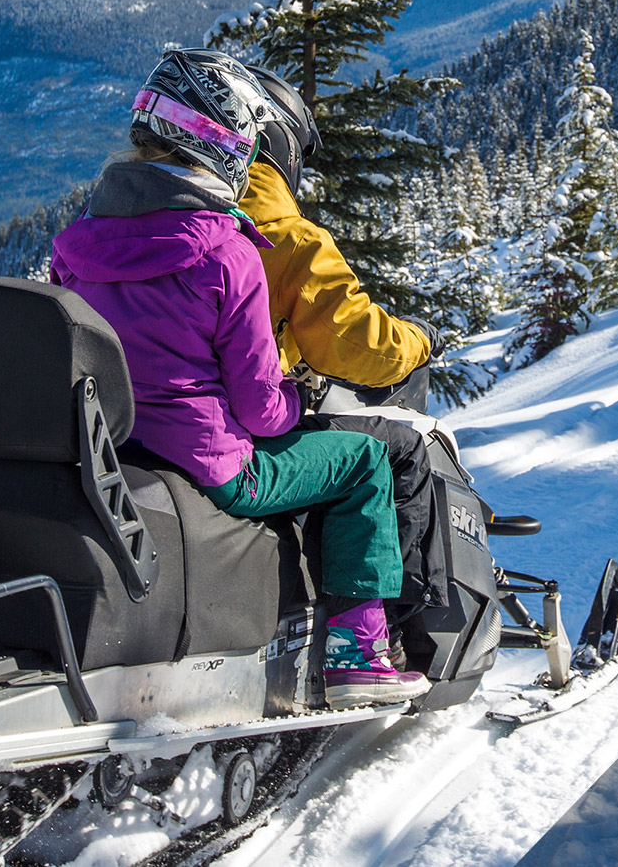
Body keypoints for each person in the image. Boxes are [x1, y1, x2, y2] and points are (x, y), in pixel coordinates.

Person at [50, 48, 428, 708]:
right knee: (364, 462)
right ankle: (357, 651)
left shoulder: (76, 244)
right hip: (216, 467)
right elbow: (258, 411)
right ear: (230, 144)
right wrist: (298, 401)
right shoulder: (230, 251)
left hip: (112, 450)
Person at [239, 64, 451, 613]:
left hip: (153, 426)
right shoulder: (284, 236)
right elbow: (359, 345)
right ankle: (388, 631)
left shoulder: (177, 218)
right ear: (281, 147)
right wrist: (421, 341)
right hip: (240, 432)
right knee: (396, 452)